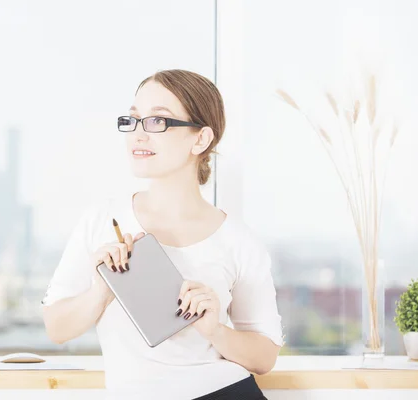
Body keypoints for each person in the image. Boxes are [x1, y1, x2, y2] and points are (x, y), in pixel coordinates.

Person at [41, 69, 283, 399]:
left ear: (201, 139)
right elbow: (57, 328)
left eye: (158, 122)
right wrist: (102, 290)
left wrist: (214, 330)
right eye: (133, 120)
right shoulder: (101, 220)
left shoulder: (239, 241)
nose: (138, 134)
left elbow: (265, 357)